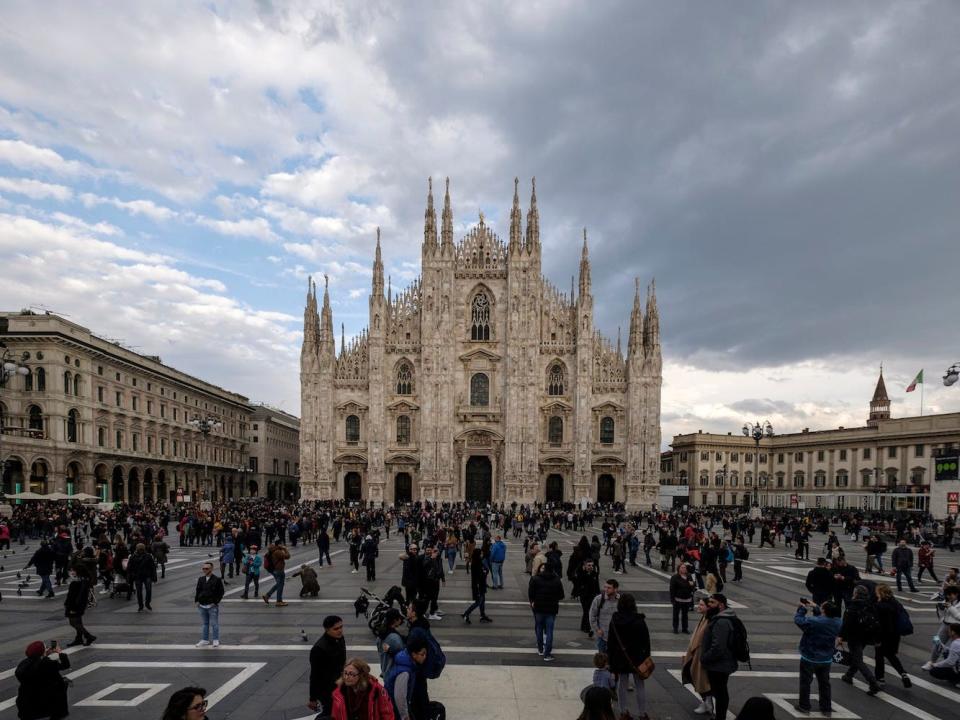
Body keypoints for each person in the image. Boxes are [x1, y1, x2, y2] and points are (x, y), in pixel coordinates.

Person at [606, 593, 651, 720]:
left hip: (620, 657)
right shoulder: (639, 620)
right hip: (637, 657)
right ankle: (642, 713)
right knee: (640, 685)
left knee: (622, 683)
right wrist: (647, 656)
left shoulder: (615, 620)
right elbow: (646, 641)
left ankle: (623, 711)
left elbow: (611, 641)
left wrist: (610, 659)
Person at [794, 599, 842, 714]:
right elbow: (823, 619)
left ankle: (804, 706)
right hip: (826, 658)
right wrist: (816, 607)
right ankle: (826, 708)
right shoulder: (838, 622)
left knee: (805, 682)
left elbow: (799, 620)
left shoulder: (814, 622)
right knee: (825, 684)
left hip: (810, 656)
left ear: (824, 610)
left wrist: (802, 609)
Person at [700, 593, 739, 720]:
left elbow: (718, 647)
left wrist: (705, 658)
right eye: (709, 602)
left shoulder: (721, 621)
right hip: (720, 663)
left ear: (721, 605)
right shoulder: (720, 617)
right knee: (719, 692)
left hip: (719, 665)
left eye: (712, 603)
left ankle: (720, 717)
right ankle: (719, 716)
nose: (709, 605)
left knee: (720, 693)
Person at [385, 635, 443, 720]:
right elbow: (399, 697)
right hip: (393, 709)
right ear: (414, 655)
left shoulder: (407, 663)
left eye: (425, 654)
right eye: (422, 654)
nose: (425, 657)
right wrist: (405, 716)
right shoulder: (405, 672)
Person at [838, 585, 881, 694]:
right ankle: (849, 675)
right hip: (866, 636)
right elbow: (876, 622)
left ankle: (873, 682)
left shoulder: (852, 607)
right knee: (857, 656)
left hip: (854, 637)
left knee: (858, 660)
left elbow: (846, 624)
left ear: (856, 594)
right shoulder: (870, 606)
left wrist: (841, 637)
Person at [15, 640, 71, 720]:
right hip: (46, 700)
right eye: (45, 648)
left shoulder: (23, 664)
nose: (47, 648)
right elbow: (65, 665)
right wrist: (59, 652)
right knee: (62, 684)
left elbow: (37, 665)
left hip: (26, 701)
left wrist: (44, 655)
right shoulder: (47, 663)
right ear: (42, 652)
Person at [329, 657, 396, 720]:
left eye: (351, 674)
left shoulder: (376, 690)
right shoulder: (339, 693)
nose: (346, 677)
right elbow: (335, 716)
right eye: (345, 673)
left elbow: (387, 714)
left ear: (361, 675)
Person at [874, 584, 912, 687]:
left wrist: (877, 639)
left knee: (879, 657)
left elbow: (879, 625)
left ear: (880, 593)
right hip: (895, 635)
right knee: (891, 655)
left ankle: (880, 678)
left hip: (884, 635)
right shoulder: (896, 603)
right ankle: (903, 673)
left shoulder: (880, 606)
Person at [681, 591, 713, 717]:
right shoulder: (704, 618)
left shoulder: (709, 620)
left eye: (701, 605)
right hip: (696, 654)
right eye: (698, 604)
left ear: (708, 607)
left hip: (700, 655)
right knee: (696, 677)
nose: (698, 607)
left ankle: (708, 703)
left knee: (701, 679)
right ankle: (706, 702)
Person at [309, 615, 347, 716]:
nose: (340, 631)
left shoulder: (340, 638)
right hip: (327, 690)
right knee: (330, 712)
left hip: (340, 683)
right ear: (327, 629)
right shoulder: (318, 649)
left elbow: (342, 660)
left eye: (341, 627)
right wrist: (312, 698)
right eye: (336, 629)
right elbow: (314, 675)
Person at [528, 560, 565, 661]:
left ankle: (540, 649)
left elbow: (531, 593)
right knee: (549, 631)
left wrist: (534, 601)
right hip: (551, 608)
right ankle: (547, 653)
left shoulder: (536, 579)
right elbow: (561, 595)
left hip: (539, 607)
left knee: (539, 628)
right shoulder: (557, 580)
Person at [922, 584, 960, 670]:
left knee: (955, 648)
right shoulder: (946, 601)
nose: (948, 596)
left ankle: (953, 667)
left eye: (950, 594)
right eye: (947, 594)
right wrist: (940, 609)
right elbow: (941, 616)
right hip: (945, 625)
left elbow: (959, 616)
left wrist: (950, 607)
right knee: (936, 642)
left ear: (956, 594)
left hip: (957, 628)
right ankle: (931, 662)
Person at [194, 561, 225, 648]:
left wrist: (215, 602)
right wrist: (197, 601)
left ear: (211, 569)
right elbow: (198, 590)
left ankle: (215, 640)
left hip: (212, 606)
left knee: (214, 624)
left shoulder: (217, 579)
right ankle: (205, 640)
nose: (204, 570)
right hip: (202, 605)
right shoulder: (201, 579)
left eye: (206, 568)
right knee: (205, 624)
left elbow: (221, 592)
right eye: (203, 568)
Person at [64, 569, 96, 647]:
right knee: (78, 622)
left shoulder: (75, 583)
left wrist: (71, 607)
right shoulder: (84, 582)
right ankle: (79, 639)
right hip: (80, 606)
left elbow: (72, 597)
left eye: (73, 571)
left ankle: (88, 636)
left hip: (74, 606)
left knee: (73, 623)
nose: (71, 572)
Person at [462, 547, 492, 624]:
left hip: (481, 585)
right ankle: (466, 613)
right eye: (481, 553)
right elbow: (480, 575)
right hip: (478, 586)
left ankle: (482, 615)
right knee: (478, 602)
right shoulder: (475, 564)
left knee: (482, 601)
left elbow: (485, 570)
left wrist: (485, 571)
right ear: (478, 555)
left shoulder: (479, 562)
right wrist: (485, 572)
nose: (482, 554)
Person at [589, 578, 619, 652]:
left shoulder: (621, 600)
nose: (606, 589)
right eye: (605, 587)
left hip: (616, 637)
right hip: (602, 636)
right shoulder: (599, 599)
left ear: (615, 589)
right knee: (602, 660)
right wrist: (597, 629)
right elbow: (592, 615)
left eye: (609, 588)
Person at [574, 558, 601, 637]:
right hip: (584, 595)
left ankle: (584, 626)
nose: (591, 567)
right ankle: (588, 627)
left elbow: (597, 584)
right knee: (587, 611)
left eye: (592, 565)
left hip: (592, 595)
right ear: (584, 566)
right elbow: (578, 584)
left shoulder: (594, 573)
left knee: (588, 611)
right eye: (589, 565)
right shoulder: (581, 574)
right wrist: (577, 594)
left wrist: (599, 594)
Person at [127, 542, 158, 612]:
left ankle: (147, 603)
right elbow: (129, 568)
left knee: (147, 590)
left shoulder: (148, 556)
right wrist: (130, 576)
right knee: (140, 591)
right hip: (138, 576)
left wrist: (154, 576)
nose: (141, 550)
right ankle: (141, 605)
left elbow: (152, 567)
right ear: (137, 549)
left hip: (146, 575)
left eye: (142, 549)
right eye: (140, 549)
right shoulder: (133, 557)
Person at [377, 608, 407, 680]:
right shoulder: (395, 639)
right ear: (395, 620)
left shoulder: (381, 635)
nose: (401, 620)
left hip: (385, 668)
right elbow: (402, 656)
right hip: (394, 673)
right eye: (399, 618)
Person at [262, 541, 290, 606]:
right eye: (281, 544)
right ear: (279, 545)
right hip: (279, 570)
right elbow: (288, 556)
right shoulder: (277, 551)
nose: (283, 545)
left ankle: (268, 596)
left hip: (275, 570)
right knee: (280, 585)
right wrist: (285, 549)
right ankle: (278, 601)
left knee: (279, 584)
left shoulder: (272, 551)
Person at [670, 562, 696, 634]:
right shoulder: (675, 577)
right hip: (677, 599)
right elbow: (672, 589)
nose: (684, 569)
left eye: (685, 568)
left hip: (687, 599)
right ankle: (675, 628)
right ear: (679, 569)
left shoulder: (689, 576)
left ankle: (685, 628)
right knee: (676, 615)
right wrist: (672, 600)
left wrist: (692, 585)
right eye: (682, 567)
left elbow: (693, 586)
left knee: (685, 615)